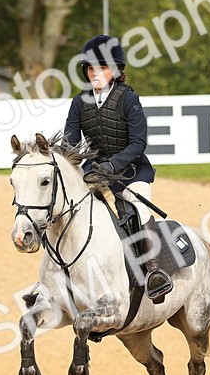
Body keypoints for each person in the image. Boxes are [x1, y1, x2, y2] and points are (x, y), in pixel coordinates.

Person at [63, 34, 171, 300]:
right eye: (90, 68)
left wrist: (111, 165)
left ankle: (154, 270)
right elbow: (70, 144)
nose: (94, 73)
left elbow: (138, 144)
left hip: (130, 173)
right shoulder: (80, 102)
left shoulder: (128, 99)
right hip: (96, 174)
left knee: (138, 204)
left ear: (115, 70)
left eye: (100, 68)